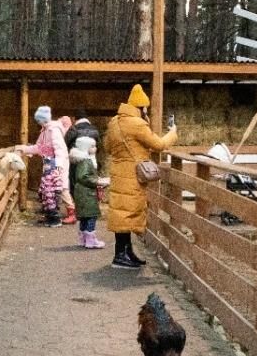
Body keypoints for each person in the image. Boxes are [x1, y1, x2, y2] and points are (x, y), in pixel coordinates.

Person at [104, 84, 178, 269]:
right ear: (142, 107)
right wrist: (173, 134)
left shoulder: (114, 122)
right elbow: (158, 144)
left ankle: (125, 252)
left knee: (122, 212)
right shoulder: (136, 124)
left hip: (118, 172)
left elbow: (106, 147)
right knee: (127, 213)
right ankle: (121, 256)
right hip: (132, 175)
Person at [16, 106, 69, 227]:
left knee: (51, 189)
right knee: (45, 189)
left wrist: (59, 166)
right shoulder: (45, 131)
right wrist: (24, 149)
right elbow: (38, 147)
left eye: (39, 120)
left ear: (43, 119)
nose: (38, 122)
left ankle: (55, 218)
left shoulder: (53, 130)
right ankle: (49, 215)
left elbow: (60, 148)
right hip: (48, 163)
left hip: (54, 164)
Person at [70, 136, 108, 249]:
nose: (95, 148)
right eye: (92, 146)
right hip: (87, 193)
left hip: (82, 192)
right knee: (91, 216)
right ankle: (91, 240)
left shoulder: (83, 160)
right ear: (85, 147)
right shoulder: (86, 161)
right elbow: (83, 176)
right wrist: (98, 181)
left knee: (84, 216)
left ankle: (83, 239)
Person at [58, 116, 76, 223]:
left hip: (61, 163)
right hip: (63, 161)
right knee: (62, 186)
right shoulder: (66, 135)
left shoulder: (62, 137)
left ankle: (71, 213)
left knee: (63, 187)